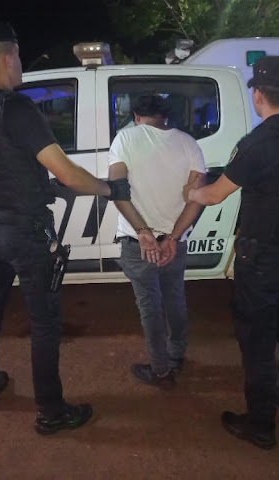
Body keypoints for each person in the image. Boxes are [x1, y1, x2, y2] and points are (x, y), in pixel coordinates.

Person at [0, 21, 130, 435]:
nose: (20, 63)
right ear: (8, 57)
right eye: (19, 56)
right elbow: (67, 174)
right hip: (25, 232)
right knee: (43, 323)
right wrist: (109, 188)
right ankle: (50, 411)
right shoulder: (18, 110)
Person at [183, 55, 279, 449]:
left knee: (258, 342)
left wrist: (191, 193)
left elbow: (215, 195)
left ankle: (260, 424)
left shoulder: (257, 144)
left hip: (261, 259)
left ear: (258, 96)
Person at [108, 92, 206, 389]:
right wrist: (173, 237)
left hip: (140, 243)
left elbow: (117, 189)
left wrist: (143, 231)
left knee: (149, 304)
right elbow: (196, 198)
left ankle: (161, 370)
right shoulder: (189, 143)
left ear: (136, 117)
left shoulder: (125, 139)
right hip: (175, 241)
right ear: (165, 117)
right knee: (175, 296)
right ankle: (176, 355)